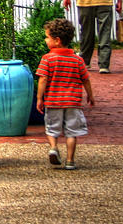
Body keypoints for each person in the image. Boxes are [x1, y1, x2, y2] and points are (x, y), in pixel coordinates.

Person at [36, 18, 94, 170]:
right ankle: (70, 161)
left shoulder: (47, 59)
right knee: (71, 132)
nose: (45, 39)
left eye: (47, 37)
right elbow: (86, 80)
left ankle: (54, 147)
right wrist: (90, 95)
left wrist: (39, 98)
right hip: (73, 102)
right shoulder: (78, 60)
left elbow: (43, 79)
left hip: (54, 101)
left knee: (52, 128)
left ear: (57, 40)